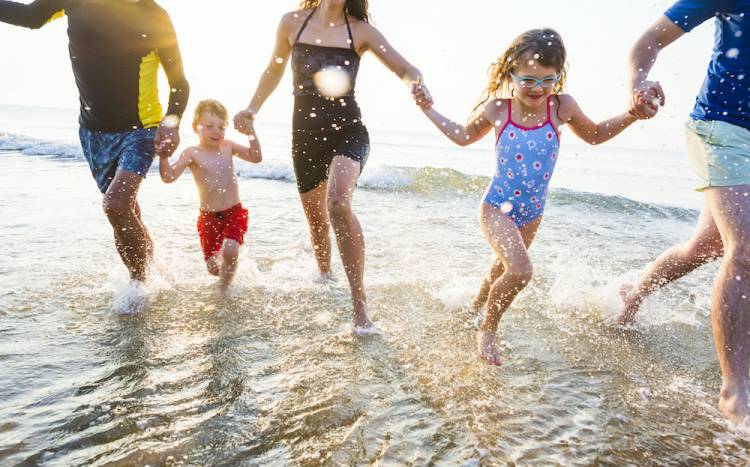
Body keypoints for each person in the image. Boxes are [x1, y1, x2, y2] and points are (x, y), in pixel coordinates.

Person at [412, 29, 656, 365]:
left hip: (532, 211)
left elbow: (596, 135)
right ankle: (487, 330)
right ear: (510, 73)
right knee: (521, 270)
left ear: (558, 77)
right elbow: (463, 136)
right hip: (496, 207)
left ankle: (472, 308)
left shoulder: (562, 106)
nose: (538, 89)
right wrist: (429, 109)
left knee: (501, 269)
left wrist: (632, 114)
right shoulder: (499, 109)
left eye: (548, 80)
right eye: (528, 79)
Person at [233, 0, 426, 334]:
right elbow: (274, 69)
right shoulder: (292, 23)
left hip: (349, 132)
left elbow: (406, 68)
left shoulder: (361, 31)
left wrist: (416, 84)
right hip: (305, 137)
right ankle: (324, 276)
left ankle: (359, 302)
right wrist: (251, 108)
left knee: (337, 203)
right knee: (317, 223)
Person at [0, 0, 190, 299]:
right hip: (92, 132)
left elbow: (179, 83)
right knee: (127, 209)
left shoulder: (155, 17)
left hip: (140, 129)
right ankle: (154, 269)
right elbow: (30, 17)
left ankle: (138, 287)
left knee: (115, 204)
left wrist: (172, 122)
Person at [617, 0, 750, 424]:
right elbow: (649, 39)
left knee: (707, 246)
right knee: (745, 249)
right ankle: (735, 390)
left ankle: (634, 293)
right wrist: (639, 82)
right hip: (722, 128)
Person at [159, 100, 262, 292]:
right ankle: (227, 276)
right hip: (208, 218)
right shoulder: (192, 153)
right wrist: (163, 157)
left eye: (221, 127)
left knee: (230, 250)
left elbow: (256, 157)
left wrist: (251, 133)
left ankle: (224, 291)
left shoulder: (228, 147)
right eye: (209, 127)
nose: (217, 132)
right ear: (195, 127)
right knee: (214, 268)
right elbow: (168, 177)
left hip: (234, 212)